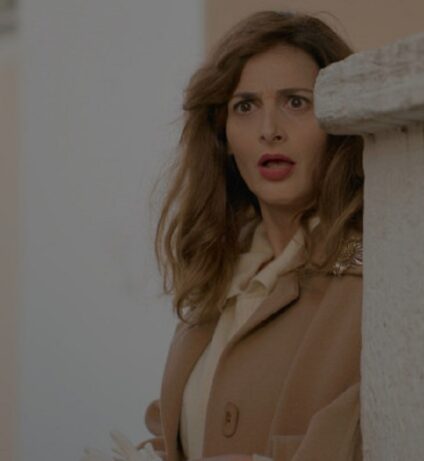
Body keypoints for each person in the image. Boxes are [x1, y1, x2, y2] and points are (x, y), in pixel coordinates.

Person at [140, 10, 364, 461]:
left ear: (338, 122)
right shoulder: (221, 275)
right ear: (222, 136)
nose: (269, 131)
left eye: (296, 102)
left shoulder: (371, 281)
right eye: (245, 106)